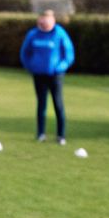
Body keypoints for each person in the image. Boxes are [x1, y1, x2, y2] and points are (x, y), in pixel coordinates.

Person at [19, 8, 75, 143]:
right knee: (41, 104)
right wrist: (30, 66)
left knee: (58, 104)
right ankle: (40, 134)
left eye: (47, 20)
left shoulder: (59, 33)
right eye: (42, 20)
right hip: (38, 75)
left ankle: (61, 135)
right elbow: (24, 52)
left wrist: (60, 68)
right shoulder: (33, 34)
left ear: (52, 20)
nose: (44, 23)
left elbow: (69, 54)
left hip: (55, 75)